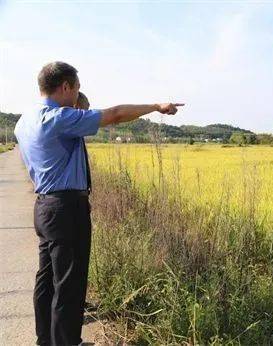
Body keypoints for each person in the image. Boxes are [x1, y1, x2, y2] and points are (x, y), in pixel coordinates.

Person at [13, 61, 184, 346]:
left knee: (47, 279)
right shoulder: (59, 118)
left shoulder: (25, 120)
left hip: (44, 206)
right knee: (69, 284)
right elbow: (115, 115)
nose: (78, 93)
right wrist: (156, 106)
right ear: (66, 87)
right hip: (67, 209)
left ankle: (46, 340)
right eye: (77, 88)